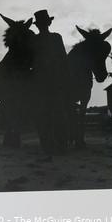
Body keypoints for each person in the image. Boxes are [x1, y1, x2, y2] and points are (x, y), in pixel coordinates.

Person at [31, 9, 71, 155]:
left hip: (50, 83)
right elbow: (63, 59)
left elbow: (63, 59)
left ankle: (55, 145)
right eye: (42, 23)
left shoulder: (49, 39)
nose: (42, 26)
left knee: (53, 115)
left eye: (42, 23)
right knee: (50, 115)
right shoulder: (53, 38)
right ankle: (54, 145)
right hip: (47, 83)